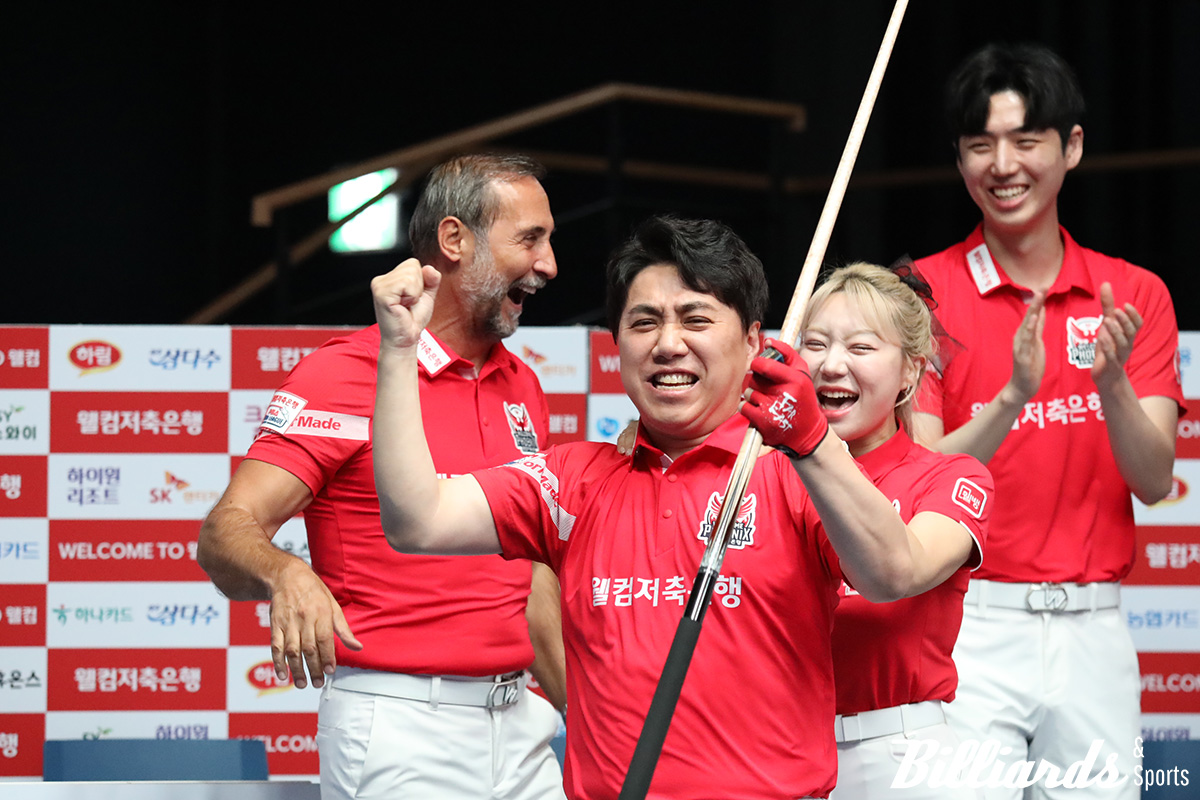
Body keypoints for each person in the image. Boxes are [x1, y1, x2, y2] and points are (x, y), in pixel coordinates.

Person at [369, 214, 984, 799]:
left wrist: (813, 443)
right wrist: (399, 351)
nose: (668, 344)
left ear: (751, 343)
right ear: (616, 348)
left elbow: (891, 574)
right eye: (643, 323)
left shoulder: (797, 476)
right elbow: (416, 520)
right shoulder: (571, 479)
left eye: (695, 319)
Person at [197, 153, 568, 800]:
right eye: (530, 239)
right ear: (455, 241)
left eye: (550, 240)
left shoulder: (523, 382)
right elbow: (224, 531)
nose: (549, 264)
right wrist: (287, 572)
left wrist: (587, 718)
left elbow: (530, 580)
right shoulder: (345, 373)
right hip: (400, 727)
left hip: (521, 726)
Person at [912, 43, 1185, 798]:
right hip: (967, 620)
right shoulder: (920, 294)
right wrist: (1013, 396)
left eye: (1025, 140)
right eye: (980, 145)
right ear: (960, 159)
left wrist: (1112, 383)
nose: (1003, 165)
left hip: (1094, 629)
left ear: (1071, 147)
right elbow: (920, 473)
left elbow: (1156, 478)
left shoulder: (1134, 293)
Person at [798, 263, 990, 800]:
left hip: (901, 756)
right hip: (778, 748)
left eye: (860, 349)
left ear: (911, 371)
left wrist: (811, 449)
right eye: (815, 344)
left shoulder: (950, 477)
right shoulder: (761, 473)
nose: (832, 365)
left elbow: (902, 571)